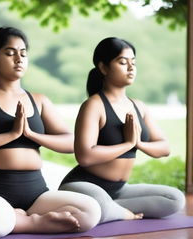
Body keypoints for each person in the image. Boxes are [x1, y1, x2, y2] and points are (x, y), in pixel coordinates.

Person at [0, 27, 101, 239]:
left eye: (23, 53)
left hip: (35, 193)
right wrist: (10, 135)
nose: (18, 59)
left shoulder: (39, 100)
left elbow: (70, 143)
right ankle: (34, 222)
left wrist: (32, 135)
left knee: (91, 211)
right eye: (10, 53)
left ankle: (16, 219)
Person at [59, 37, 185, 223]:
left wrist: (139, 143)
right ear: (103, 68)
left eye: (133, 62)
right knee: (98, 203)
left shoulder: (138, 106)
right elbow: (85, 156)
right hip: (83, 186)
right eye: (123, 62)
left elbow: (164, 148)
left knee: (175, 199)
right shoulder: (94, 105)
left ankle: (112, 211)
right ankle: (117, 212)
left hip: (119, 189)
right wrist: (127, 144)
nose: (131, 67)